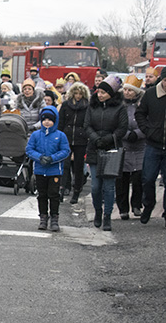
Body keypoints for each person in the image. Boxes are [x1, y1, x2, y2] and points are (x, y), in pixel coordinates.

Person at [84, 75, 127, 231]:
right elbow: (87, 125)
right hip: (95, 148)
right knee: (95, 187)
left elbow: (122, 128)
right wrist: (96, 139)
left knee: (109, 187)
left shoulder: (120, 107)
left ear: (111, 93)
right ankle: (98, 211)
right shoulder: (92, 106)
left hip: (111, 150)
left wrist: (109, 139)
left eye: (103, 92)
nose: (99, 94)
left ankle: (107, 216)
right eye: (98, 91)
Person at [25, 106, 71, 232]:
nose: (47, 122)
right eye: (44, 119)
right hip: (40, 170)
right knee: (42, 195)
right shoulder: (36, 135)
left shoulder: (60, 135)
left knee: (54, 195)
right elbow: (29, 149)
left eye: (50, 120)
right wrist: (39, 157)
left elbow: (65, 151)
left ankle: (55, 218)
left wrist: (52, 158)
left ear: (54, 121)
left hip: (55, 170)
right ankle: (43, 217)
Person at [135, 67, 166, 225]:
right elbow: (139, 113)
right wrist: (147, 130)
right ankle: (148, 205)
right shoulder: (151, 94)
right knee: (147, 179)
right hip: (153, 144)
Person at [116, 75, 146, 219]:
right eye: (125, 90)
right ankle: (123, 208)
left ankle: (136, 204)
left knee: (138, 178)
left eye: (130, 90)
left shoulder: (143, 105)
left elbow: (148, 123)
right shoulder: (120, 105)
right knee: (122, 179)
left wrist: (138, 134)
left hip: (140, 146)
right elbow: (116, 124)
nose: (127, 93)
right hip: (124, 146)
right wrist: (127, 134)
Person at [58, 81, 91, 204]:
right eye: (76, 93)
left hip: (81, 139)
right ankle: (62, 189)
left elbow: (89, 123)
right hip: (66, 137)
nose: (78, 96)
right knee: (64, 165)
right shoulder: (66, 105)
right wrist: (59, 137)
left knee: (78, 167)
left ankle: (76, 191)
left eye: (80, 94)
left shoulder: (87, 106)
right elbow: (61, 122)